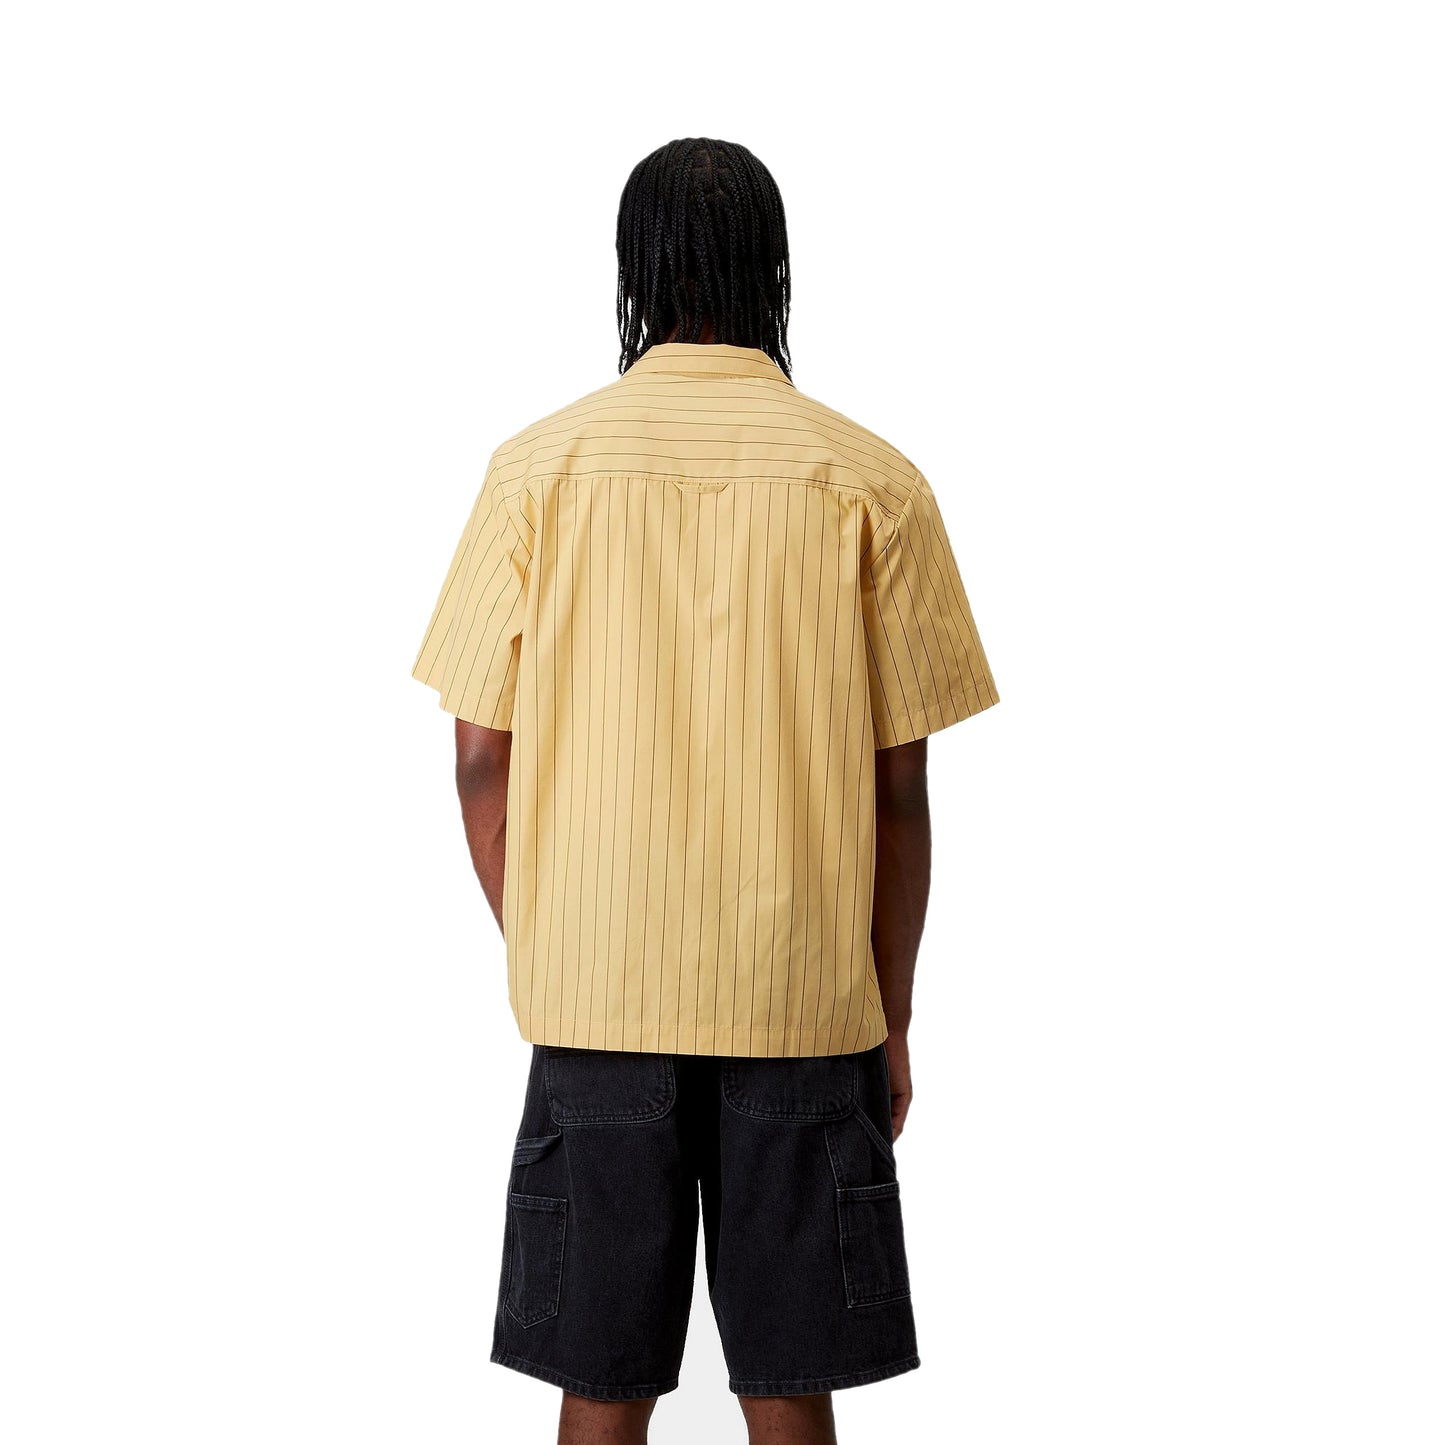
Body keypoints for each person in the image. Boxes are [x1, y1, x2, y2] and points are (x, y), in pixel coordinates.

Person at [412, 137, 998, 1445]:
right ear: (773, 272)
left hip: (597, 991)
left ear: (634, 271)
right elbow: (900, 785)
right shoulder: (871, 479)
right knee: (789, 1376)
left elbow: (478, 753)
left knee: (600, 1379)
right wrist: (893, 1012)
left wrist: (549, 935)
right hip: (802, 993)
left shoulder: (536, 470)